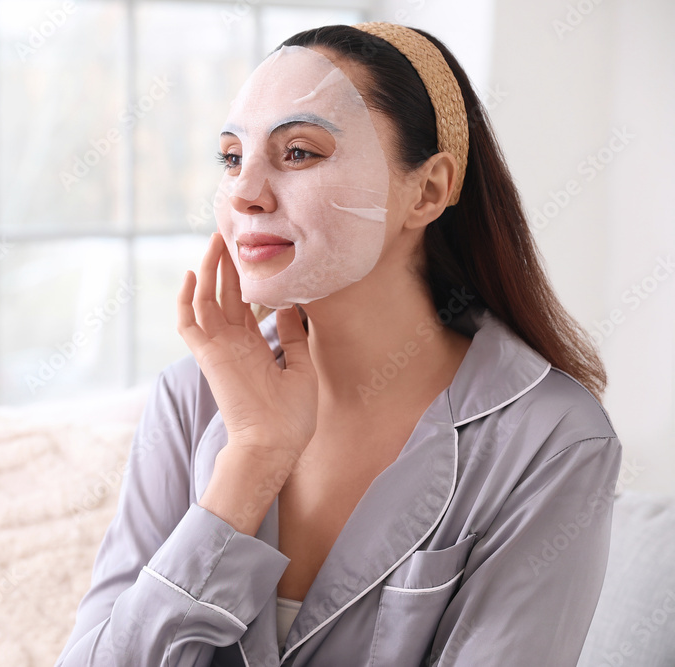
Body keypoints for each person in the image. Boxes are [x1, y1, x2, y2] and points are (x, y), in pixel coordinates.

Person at [56, 22, 622, 667]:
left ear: (429, 190)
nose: (244, 192)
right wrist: (253, 458)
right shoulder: (189, 399)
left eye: (299, 152)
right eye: (232, 157)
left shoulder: (552, 441)